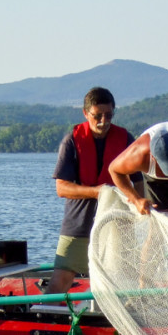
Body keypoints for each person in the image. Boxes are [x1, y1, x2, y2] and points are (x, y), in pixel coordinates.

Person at [49, 87, 142, 293]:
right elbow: (61, 188)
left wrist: (138, 205)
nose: (103, 121)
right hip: (78, 225)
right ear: (85, 113)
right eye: (97, 116)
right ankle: (47, 320)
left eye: (108, 115)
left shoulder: (126, 139)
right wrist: (97, 192)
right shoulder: (71, 141)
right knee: (61, 279)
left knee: (121, 281)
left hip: (117, 225)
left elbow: (139, 183)